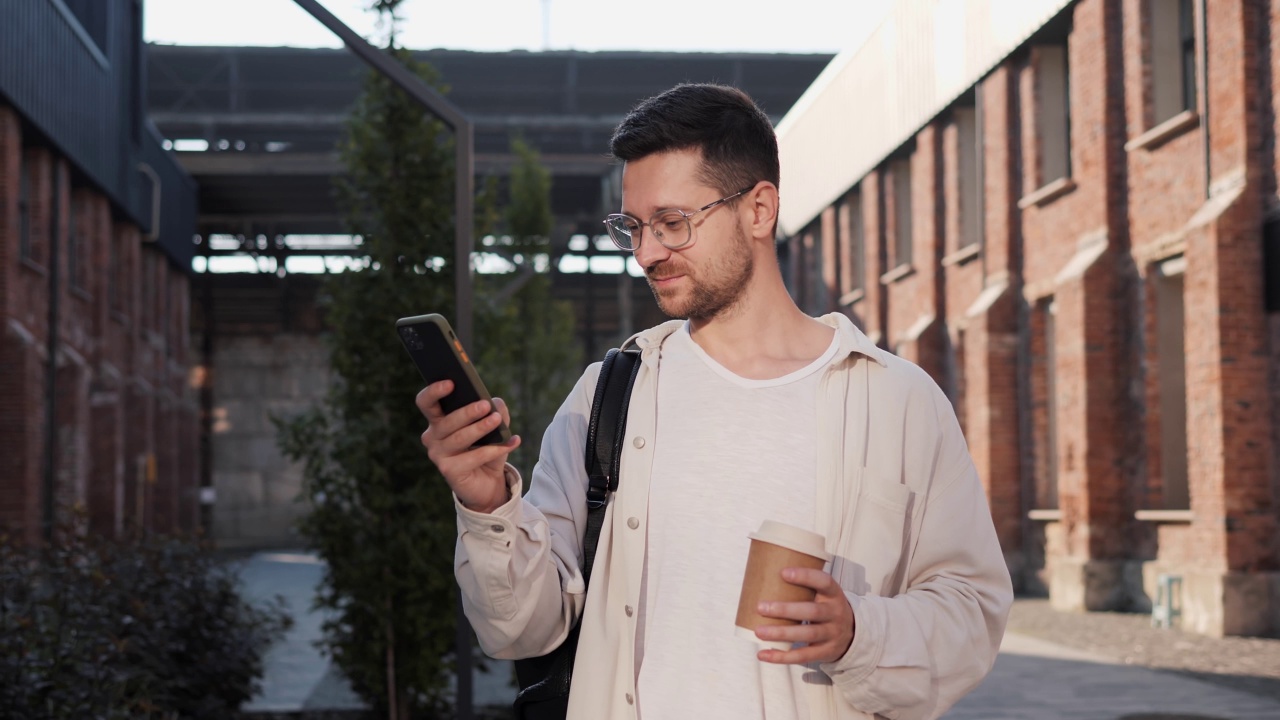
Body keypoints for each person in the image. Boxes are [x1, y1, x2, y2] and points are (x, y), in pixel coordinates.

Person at [417, 83, 1013, 720]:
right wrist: (488, 505)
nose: (647, 253)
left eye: (673, 224)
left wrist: (857, 632)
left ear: (759, 210)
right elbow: (521, 630)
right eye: (633, 228)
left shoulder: (896, 400)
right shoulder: (608, 395)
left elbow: (971, 613)